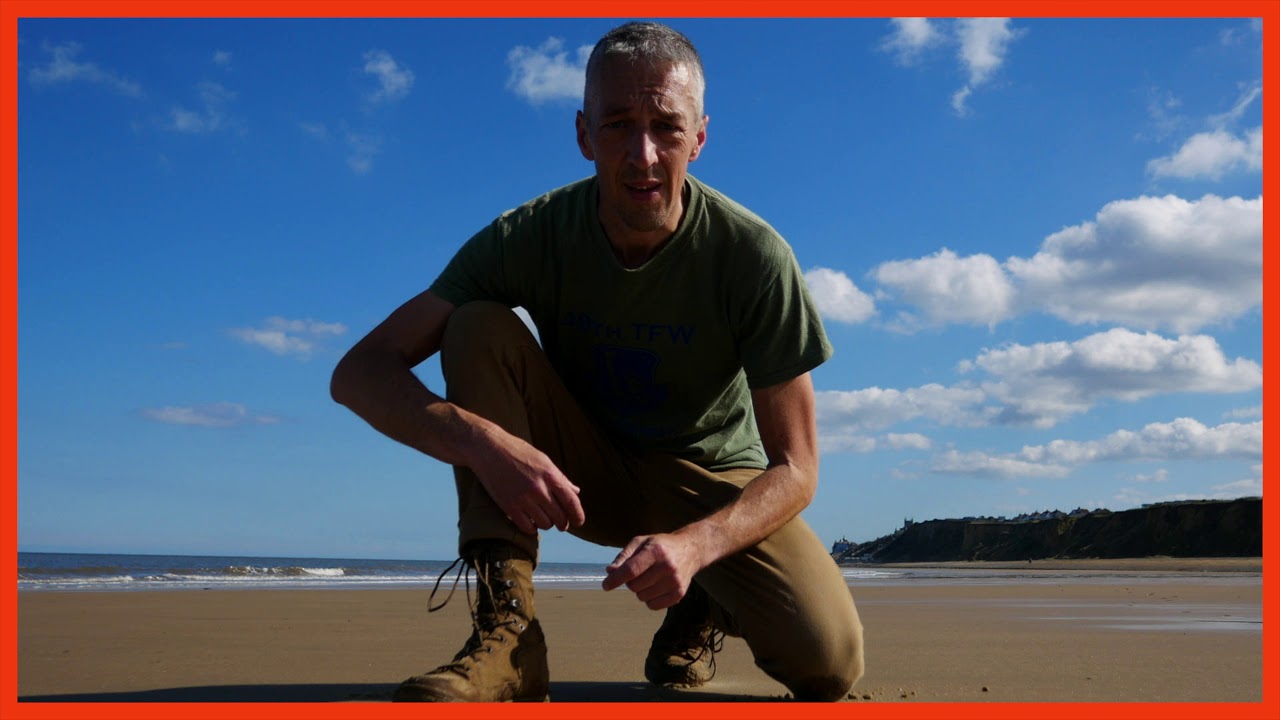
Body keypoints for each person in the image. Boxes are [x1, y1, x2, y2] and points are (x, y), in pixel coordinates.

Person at [330, 21, 864, 702]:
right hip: (576, 471)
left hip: (705, 483)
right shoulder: (527, 237)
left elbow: (797, 468)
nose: (642, 155)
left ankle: (703, 599)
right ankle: (509, 641)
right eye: (618, 125)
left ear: (699, 138)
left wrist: (699, 546)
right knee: (475, 325)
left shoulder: (752, 257)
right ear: (583, 135)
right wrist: (484, 443)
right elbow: (359, 372)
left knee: (830, 662)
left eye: (665, 127)